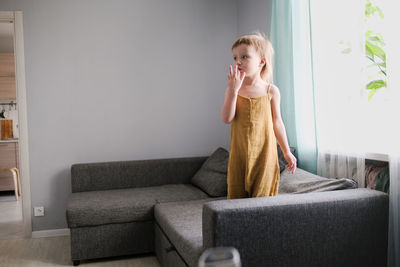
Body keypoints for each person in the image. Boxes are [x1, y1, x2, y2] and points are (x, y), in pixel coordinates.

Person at [221, 32, 296, 199]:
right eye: (235, 58)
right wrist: (233, 92)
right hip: (239, 158)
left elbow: (277, 122)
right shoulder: (233, 90)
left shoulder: (271, 91)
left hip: (265, 158)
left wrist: (286, 151)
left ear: (262, 61)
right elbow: (227, 118)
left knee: (261, 205)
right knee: (236, 204)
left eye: (244, 57)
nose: (238, 62)